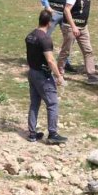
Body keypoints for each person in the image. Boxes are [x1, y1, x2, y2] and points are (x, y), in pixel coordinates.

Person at [25, 9, 67, 145]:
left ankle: (32, 134)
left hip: (32, 72)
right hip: (43, 75)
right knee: (52, 103)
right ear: (49, 23)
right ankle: (53, 134)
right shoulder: (45, 39)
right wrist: (59, 76)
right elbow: (50, 60)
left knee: (35, 103)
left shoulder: (30, 35)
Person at [40, 0, 77, 72]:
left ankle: (65, 61)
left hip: (67, 13)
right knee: (45, 36)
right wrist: (47, 7)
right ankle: (41, 59)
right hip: (53, 11)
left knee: (69, 38)